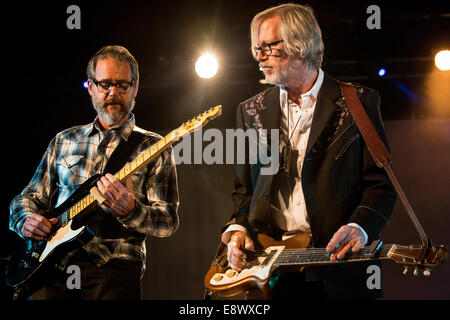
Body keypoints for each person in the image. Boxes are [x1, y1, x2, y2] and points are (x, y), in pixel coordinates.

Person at [221, 4, 397, 299]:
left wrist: (359, 227)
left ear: (300, 45)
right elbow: (244, 191)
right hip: (273, 275)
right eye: (256, 48)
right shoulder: (249, 111)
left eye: (268, 46)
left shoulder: (358, 101)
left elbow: (381, 186)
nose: (260, 56)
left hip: (338, 271)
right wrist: (237, 230)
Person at [9, 45, 179, 300]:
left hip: (115, 267)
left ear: (135, 87)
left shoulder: (155, 147)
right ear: (90, 86)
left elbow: (167, 221)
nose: (113, 93)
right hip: (53, 266)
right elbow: (28, 197)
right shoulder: (64, 140)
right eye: (105, 84)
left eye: (122, 85)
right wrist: (26, 220)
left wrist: (131, 210)